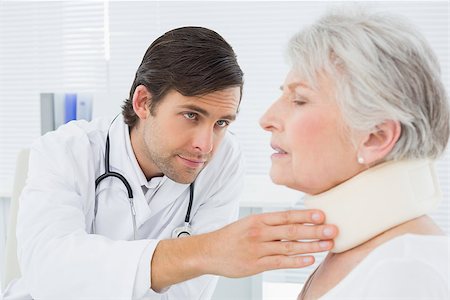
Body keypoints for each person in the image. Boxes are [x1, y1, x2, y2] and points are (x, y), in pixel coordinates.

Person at [3, 27, 337, 300]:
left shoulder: (225, 158)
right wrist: (206, 250)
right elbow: (49, 272)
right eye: (192, 115)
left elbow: (188, 294)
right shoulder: (65, 150)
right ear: (144, 102)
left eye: (222, 123)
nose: (205, 146)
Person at [260, 9, 449, 300]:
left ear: (375, 137)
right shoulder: (356, 255)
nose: (267, 118)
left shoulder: (405, 272)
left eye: (299, 100)